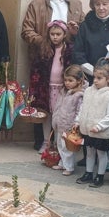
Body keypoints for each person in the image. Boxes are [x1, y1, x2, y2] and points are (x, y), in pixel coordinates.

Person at [21, 0, 84, 150]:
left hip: (67, 61)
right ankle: (43, 142)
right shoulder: (38, 4)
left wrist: (75, 32)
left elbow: (83, 31)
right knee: (42, 101)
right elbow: (26, 31)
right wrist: (45, 42)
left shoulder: (76, 5)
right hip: (44, 60)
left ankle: (63, 142)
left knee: (65, 105)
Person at [74, 57, 109, 188]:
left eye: (99, 78)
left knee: (101, 153)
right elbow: (83, 108)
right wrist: (78, 121)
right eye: (94, 77)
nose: (95, 80)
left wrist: (100, 126)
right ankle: (88, 173)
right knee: (89, 152)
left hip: (101, 131)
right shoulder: (89, 91)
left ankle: (100, 176)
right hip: (88, 128)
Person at [30, 20, 74, 153]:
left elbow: (71, 68)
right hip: (47, 88)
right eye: (52, 34)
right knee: (47, 115)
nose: (55, 37)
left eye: (58, 34)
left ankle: (57, 143)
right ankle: (46, 142)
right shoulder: (44, 49)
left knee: (60, 116)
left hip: (62, 88)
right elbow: (36, 70)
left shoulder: (69, 50)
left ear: (64, 34)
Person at [51, 64, 85, 176]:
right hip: (61, 123)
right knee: (60, 145)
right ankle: (62, 163)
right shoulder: (64, 92)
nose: (67, 83)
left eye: (70, 80)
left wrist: (76, 122)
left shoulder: (78, 95)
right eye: (65, 80)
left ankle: (69, 167)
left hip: (70, 125)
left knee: (68, 148)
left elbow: (80, 110)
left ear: (79, 81)